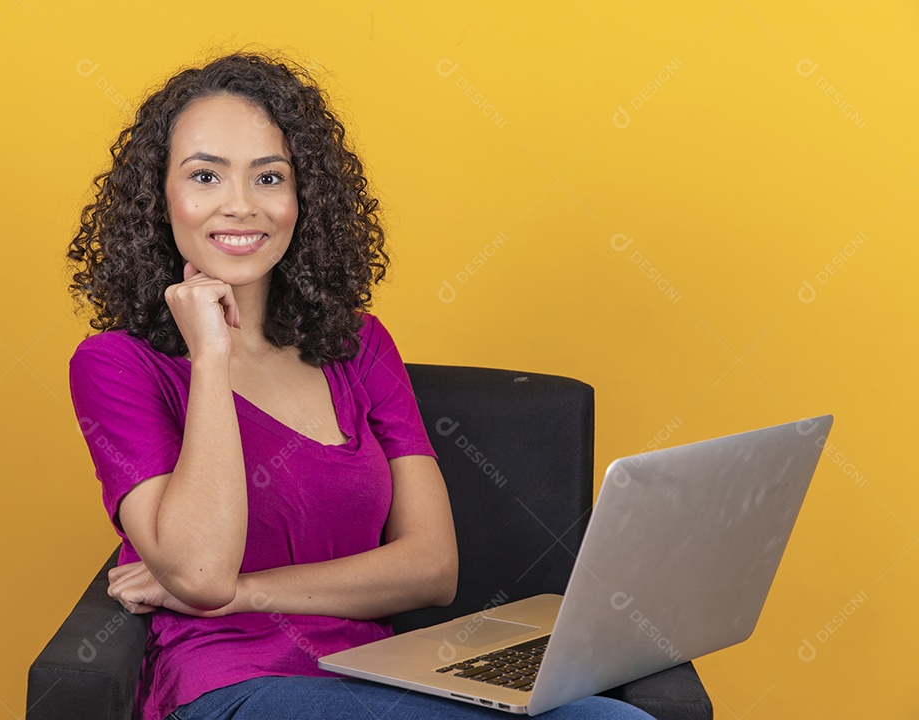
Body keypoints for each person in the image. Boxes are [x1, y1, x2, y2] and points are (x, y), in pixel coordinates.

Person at [67, 51, 652, 720]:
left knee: (617, 718)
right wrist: (210, 356)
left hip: (375, 680)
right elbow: (200, 575)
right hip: (231, 685)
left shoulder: (357, 345)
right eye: (205, 175)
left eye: (269, 177)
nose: (241, 205)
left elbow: (432, 569)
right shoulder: (115, 365)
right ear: (159, 197)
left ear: (302, 198)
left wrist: (251, 591)